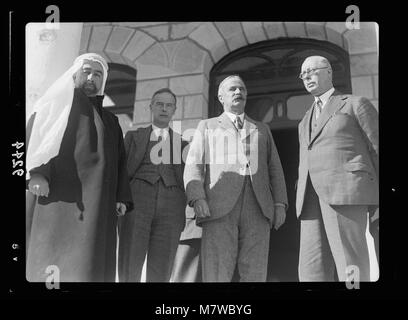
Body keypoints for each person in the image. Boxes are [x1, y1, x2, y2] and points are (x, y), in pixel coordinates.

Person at [26, 53, 133, 282]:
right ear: (75, 74)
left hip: (98, 203)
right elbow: (37, 137)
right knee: (50, 259)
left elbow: (120, 162)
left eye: (97, 73)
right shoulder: (54, 105)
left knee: (90, 265)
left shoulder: (111, 121)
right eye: (86, 71)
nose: (91, 77)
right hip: (57, 197)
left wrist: (121, 197)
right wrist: (37, 174)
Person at [184, 75, 288, 282]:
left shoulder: (262, 129)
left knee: (255, 271)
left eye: (241, 88)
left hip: (258, 207)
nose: (238, 92)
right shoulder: (207, 126)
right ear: (221, 97)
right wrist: (197, 198)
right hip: (218, 206)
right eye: (232, 89)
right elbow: (193, 164)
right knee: (217, 269)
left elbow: (275, 169)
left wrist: (280, 204)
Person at [296, 56, 379, 281]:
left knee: (349, 264)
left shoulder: (354, 103)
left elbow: (377, 149)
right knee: (311, 270)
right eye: (303, 74)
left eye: (312, 71)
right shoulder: (304, 120)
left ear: (329, 72)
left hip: (345, 192)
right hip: (309, 199)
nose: (307, 77)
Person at [118, 88, 188, 282]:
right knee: (130, 261)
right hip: (136, 201)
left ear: (174, 110)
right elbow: (120, 171)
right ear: (151, 107)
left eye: (168, 105)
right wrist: (120, 199)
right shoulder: (134, 137)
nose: (164, 109)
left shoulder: (183, 144)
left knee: (162, 268)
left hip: (172, 206)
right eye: (159, 104)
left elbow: (191, 178)